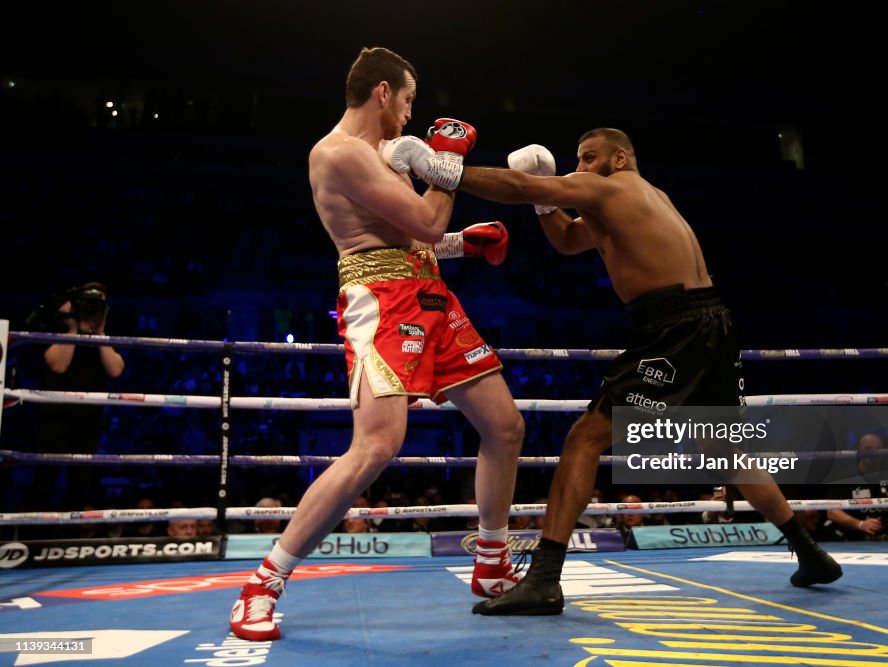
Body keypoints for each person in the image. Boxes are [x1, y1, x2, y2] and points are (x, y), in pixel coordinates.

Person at [426, 128, 843, 615]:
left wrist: (444, 172)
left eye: (589, 157)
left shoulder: (616, 187)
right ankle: (811, 554)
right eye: (576, 158)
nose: (579, 166)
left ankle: (543, 579)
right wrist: (545, 206)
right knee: (722, 450)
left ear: (618, 158)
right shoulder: (642, 199)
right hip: (708, 323)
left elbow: (523, 189)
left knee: (585, 438)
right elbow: (566, 239)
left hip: (676, 331)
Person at [229, 47, 525, 641]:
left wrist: (463, 244)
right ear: (383, 92)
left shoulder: (384, 155)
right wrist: (445, 161)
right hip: (381, 302)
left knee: (506, 425)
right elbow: (423, 222)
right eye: (410, 100)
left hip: (430, 294)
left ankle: (491, 563)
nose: (411, 116)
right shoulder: (337, 153)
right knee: (376, 447)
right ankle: (263, 583)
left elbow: (411, 237)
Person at [30, 282, 125, 512]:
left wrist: (100, 332)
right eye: (89, 302)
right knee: (46, 477)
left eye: (99, 303)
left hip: (89, 419)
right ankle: (30, 536)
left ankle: (69, 537)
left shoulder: (103, 338)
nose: (93, 307)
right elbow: (59, 366)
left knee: (80, 481)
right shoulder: (59, 329)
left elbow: (115, 369)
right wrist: (73, 328)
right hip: (56, 417)